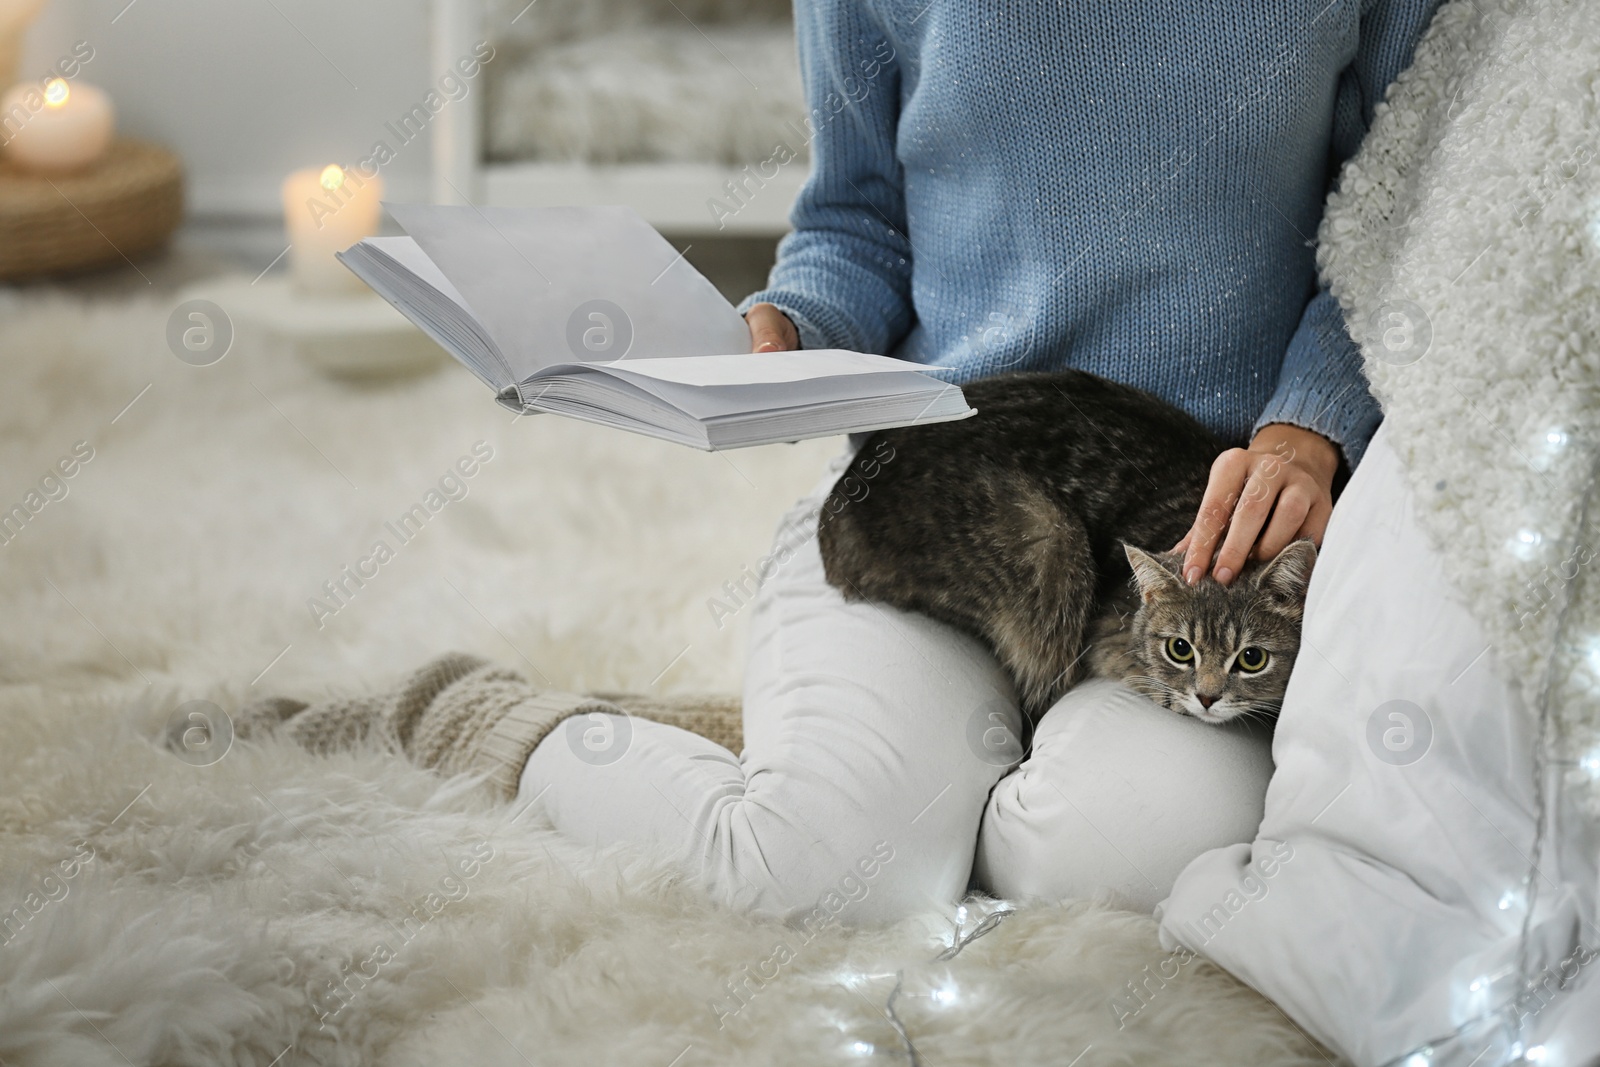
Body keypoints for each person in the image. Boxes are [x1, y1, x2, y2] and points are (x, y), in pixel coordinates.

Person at [519, 0, 1443, 920]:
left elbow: (1403, 221)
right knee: (813, 880)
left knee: (1115, 868)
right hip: (947, 499)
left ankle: (932, 801)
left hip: (1214, 552)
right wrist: (792, 327)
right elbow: (856, 221)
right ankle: (529, 736)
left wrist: (1307, 427)